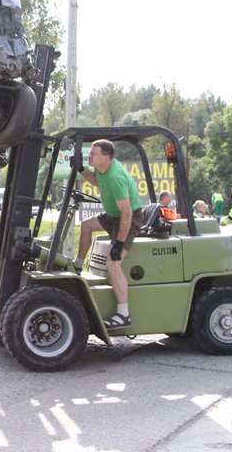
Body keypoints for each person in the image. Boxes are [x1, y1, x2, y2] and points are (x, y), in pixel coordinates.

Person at [74, 140, 144, 329]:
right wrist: (81, 168)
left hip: (128, 218)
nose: (90, 156)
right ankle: (78, 266)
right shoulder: (102, 169)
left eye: (93, 154)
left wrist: (120, 243)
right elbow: (96, 181)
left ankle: (123, 315)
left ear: (106, 157)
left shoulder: (115, 177)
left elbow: (127, 213)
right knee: (86, 225)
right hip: (113, 216)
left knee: (113, 263)